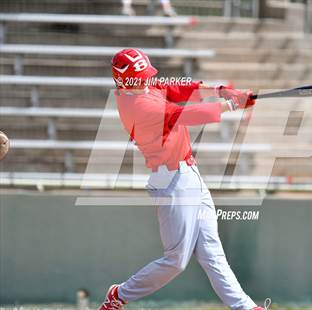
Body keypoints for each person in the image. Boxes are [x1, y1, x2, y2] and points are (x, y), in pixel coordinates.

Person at [98, 48, 267, 310]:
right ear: (124, 80)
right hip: (172, 182)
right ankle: (119, 294)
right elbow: (188, 116)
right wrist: (232, 104)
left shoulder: (142, 88)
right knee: (176, 260)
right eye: (139, 77)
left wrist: (219, 89)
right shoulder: (138, 106)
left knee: (213, 253)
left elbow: (178, 87)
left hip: (190, 174)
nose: (146, 80)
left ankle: (246, 308)